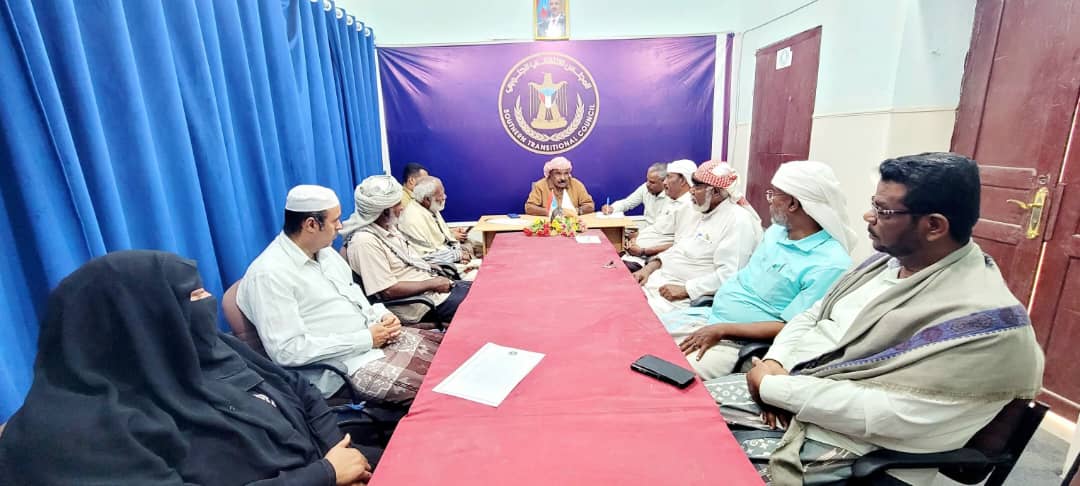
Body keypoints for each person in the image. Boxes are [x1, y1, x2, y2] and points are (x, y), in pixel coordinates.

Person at [707, 153, 1044, 485]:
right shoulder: (885, 264)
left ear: (934, 226)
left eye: (884, 211)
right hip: (788, 392)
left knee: (700, 466)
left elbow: (893, 415)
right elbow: (813, 315)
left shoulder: (985, 326)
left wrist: (773, 387)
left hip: (853, 446)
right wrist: (775, 361)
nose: (868, 216)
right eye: (874, 204)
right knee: (685, 412)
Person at [0, 251, 373, 485]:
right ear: (136, 323)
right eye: (190, 297)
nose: (207, 303)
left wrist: (339, 455)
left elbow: (298, 388)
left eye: (203, 291)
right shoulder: (73, 436)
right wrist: (324, 474)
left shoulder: (202, 348)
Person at [238, 184, 440, 403]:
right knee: (437, 392)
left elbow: (356, 298)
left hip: (373, 342)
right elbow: (287, 350)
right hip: (342, 369)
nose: (340, 226)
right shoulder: (269, 274)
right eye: (334, 220)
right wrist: (365, 339)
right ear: (311, 224)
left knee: (447, 354)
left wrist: (381, 315)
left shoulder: (326, 254)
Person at [664, 161, 855, 378]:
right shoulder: (777, 232)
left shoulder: (829, 263)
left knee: (669, 375)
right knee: (644, 337)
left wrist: (723, 329)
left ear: (793, 203)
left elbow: (793, 327)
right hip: (711, 318)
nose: (769, 200)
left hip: (738, 342)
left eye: (773, 194)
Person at [635, 160, 762, 315]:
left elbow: (729, 275)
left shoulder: (737, 221)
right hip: (657, 280)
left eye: (697, 187)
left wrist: (686, 290)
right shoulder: (701, 212)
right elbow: (679, 247)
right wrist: (648, 268)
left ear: (715, 192)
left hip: (682, 298)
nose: (691, 191)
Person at [342, 176, 472, 324]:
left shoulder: (389, 227)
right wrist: (432, 284)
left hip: (432, 290)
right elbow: (387, 291)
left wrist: (429, 268)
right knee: (482, 304)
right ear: (384, 211)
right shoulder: (365, 242)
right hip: (421, 305)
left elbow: (407, 260)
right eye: (398, 204)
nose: (402, 207)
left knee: (484, 290)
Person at [622, 159, 699, 271]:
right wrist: (636, 239)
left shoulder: (689, 206)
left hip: (647, 260)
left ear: (682, 180)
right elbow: (657, 230)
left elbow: (679, 245)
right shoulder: (673, 201)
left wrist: (643, 251)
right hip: (636, 255)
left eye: (668, 177)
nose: (664, 182)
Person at [397, 175, 478, 276]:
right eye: (441, 195)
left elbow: (443, 240)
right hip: (435, 270)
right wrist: (457, 255)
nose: (445, 197)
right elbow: (424, 258)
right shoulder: (412, 218)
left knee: (476, 246)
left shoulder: (429, 207)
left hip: (449, 256)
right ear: (427, 199)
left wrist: (460, 252)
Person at [601, 162, 670, 227]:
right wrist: (612, 208)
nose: (647, 184)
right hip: (648, 230)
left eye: (652, 182)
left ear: (664, 182)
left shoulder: (672, 196)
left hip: (662, 232)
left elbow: (663, 226)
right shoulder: (645, 188)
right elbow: (627, 203)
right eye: (647, 180)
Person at [524, 156, 595, 217]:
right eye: (558, 173)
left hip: (573, 224)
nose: (563, 178)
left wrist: (575, 211)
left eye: (566, 173)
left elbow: (590, 206)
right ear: (550, 174)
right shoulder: (540, 185)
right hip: (548, 224)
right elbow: (529, 208)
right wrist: (551, 212)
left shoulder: (576, 184)